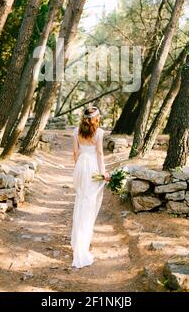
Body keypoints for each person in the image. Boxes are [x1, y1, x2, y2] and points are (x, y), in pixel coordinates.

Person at [70, 106, 110, 269]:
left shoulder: (76, 131)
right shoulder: (99, 133)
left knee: (81, 202)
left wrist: (78, 168)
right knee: (89, 204)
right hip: (93, 168)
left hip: (80, 167)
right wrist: (103, 173)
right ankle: (82, 245)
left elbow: (75, 153)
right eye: (99, 116)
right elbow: (99, 154)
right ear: (96, 118)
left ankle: (78, 240)